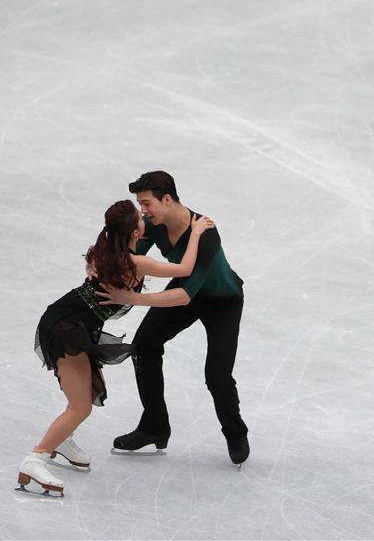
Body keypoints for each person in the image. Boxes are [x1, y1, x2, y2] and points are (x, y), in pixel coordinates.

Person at [17, 199, 215, 496]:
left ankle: (63, 439)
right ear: (135, 233)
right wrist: (196, 232)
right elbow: (185, 268)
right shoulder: (137, 263)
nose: (144, 217)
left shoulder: (104, 248)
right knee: (81, 406)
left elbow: (94, 260)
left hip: (66, 317)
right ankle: (36, 458)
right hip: (67, 329)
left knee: (89, 391)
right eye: (139, 217)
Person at [95, 171, 250, 467]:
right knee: (144, 345)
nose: (143, 211)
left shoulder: (206, 233)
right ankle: (154, 426)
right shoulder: (154, 225)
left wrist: (132, 298)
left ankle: (235, 432)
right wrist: (104, 268)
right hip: (186, 289)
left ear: (167, 199)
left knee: (217, 376)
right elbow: (131, 259)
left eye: (146, 203)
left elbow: (185, 296)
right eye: (140, 204)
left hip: (222, 301)